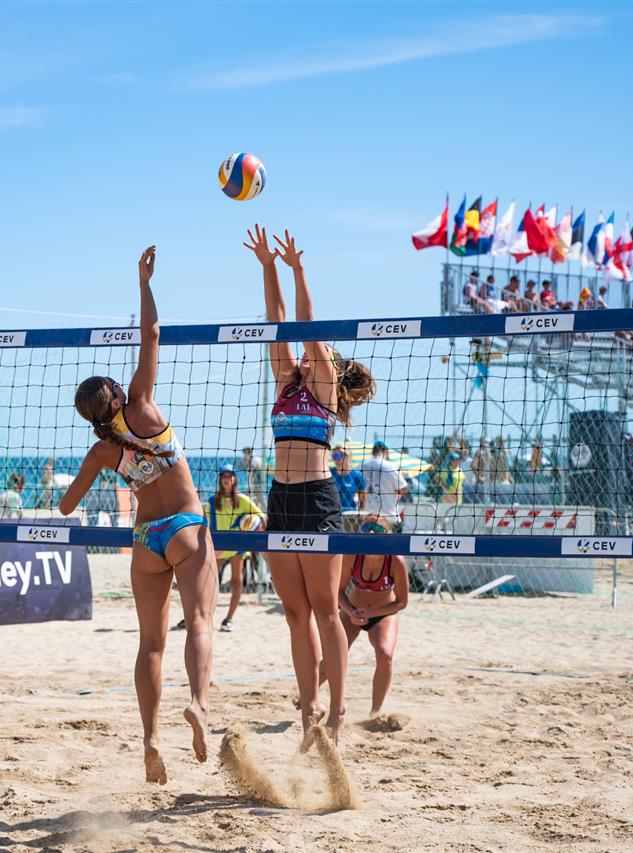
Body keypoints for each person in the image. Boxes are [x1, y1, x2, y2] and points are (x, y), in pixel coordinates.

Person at [59, 245, 216, 784]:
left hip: (146, 538)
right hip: (187, 528)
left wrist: (97, 467)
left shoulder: (102, 452)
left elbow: (67, 505)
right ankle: (198, 704)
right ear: (117, 396)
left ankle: (151, 739)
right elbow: (151, 334)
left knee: (151, 644)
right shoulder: (142, 405)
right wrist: (144, 281)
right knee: (199, 622)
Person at [246, 224, 376, 747]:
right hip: (281, 498)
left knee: (326, 611)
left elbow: (305, 328)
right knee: (295, 614)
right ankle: (309, 712)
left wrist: (298, 269)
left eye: (315, 353)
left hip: (319, 499)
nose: (303, 356)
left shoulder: (323, 385)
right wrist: (267, 268)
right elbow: (277, 325)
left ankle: (339, 712)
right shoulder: (285, 383)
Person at [318, 516, 409, 718]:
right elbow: (337, 591)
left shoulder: (395, 560)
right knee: (334, 653)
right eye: (366, 527)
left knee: (385, 655)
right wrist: (351, 611)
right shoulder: (353, 555)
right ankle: (308, 694)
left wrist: (371, 613)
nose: (371, 532)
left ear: (387, 535)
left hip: (383, 614)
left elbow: (402, 602)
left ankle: (375, 713)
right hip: (353, 609)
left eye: (377, 528)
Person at [209, 464, 264, 633]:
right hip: (218, 546)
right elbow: (206, 523)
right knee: (209, 583)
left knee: (236, 581)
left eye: (230, 476)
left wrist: (253, 527)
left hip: (237, 546)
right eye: (224, 476)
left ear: (235, 479)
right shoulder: (213, 501)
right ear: (220, 479)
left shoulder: (243, 500)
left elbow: (262, 517)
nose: (227, 479)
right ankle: (201, 615)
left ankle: (229, 619)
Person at [361, 440, 409, 528]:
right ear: (386, 452)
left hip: (367, 518)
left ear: (373, 451)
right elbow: (404, 490)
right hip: (388, 518)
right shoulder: (390, 466)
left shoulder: (361, 466)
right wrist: (395, 492)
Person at [330, 445, 366, 512]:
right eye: (334, 457)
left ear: (347, 456)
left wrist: (360, 514)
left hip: (349, 514)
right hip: (332, 514)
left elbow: (363, 499)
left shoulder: (356, 475)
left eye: (338, 456)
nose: (336, 459)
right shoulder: (329, 473)